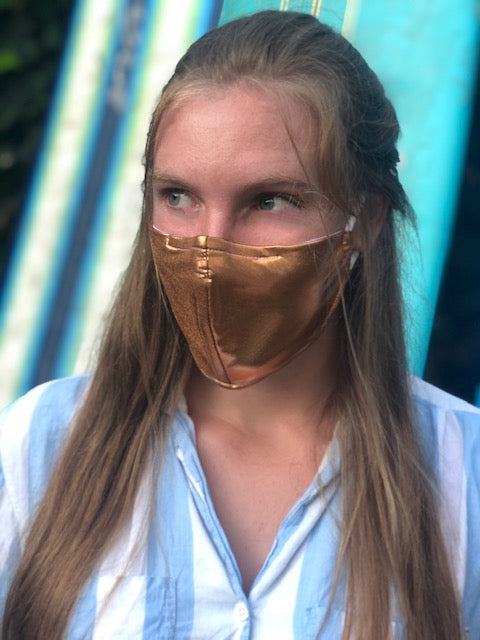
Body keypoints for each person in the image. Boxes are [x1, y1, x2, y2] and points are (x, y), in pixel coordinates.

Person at [1, 10, 479, 640]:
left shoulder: (462, 469)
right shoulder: (42, 445)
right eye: (178, 195)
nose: (209, 244)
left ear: (364, 219)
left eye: (269, 200)